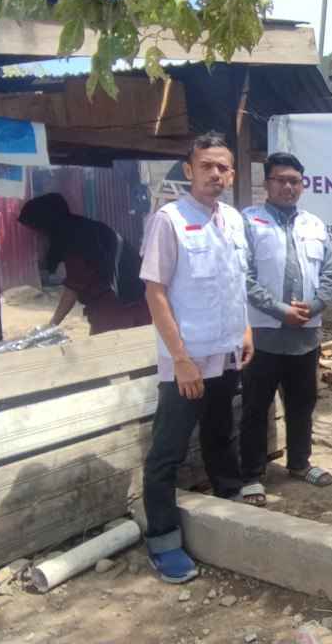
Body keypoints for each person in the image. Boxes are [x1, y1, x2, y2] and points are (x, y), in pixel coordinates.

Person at [138, 132, 253, 583]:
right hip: (185, 363)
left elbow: (234, 281)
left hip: (225, 354)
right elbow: (155, 292)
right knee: (167, 452)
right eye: (206, 165)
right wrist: (181, 359)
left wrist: (244, 330)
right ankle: (164, 543)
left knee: (221, 434)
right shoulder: (168, 220)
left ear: (233, 173)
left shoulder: (233, 219)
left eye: (223, 167)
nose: (215, 174)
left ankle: (230, 506)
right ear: (188, 171)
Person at [238, 152, 332, 505]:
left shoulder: (313, 225)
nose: (287, 186)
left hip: (306, 335)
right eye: (280, 179)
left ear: (302, 185)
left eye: (294, 181)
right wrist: (280, 310)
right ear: (266, 184)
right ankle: (252, 475)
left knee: (302, 403)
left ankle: (300, 463)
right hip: (264, 335)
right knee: (256, 406)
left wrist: (313, 306)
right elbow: (243, 276)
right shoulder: (248, 223)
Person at [17, 192, 151, 335]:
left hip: (118, 310)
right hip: (138, 304)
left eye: (38, 233)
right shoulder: (86, 228)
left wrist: (52, 325)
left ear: (47, 226)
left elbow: (72, 290)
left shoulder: (76, 240)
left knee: (105, 354)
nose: (38, 239)